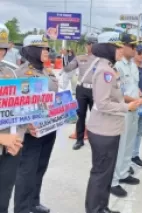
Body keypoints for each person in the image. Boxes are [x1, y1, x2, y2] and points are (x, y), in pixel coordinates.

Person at [85, 31, 140, 213]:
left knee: (106, 173)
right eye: (116, 47)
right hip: (103, 131)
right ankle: (95, 209)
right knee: (101, 174)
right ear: (108, 48)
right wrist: (127, 107)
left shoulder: (109, 67)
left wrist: (130, 101)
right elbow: (102, 104)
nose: (120, 50)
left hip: (109, 129)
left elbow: (113, 97)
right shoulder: (105, 71)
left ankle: (102, 207)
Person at [14, 34, 59, 213]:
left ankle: (34, 202)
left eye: (47, 48)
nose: (46, 52)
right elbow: (13, 105)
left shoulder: (48, 72)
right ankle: (22, 208)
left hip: (48, 128)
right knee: (27, 171)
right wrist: (27, 123)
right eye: (42, 48)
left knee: (40, 168)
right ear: (32, 51)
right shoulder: (21, 73)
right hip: (30, 132)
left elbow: (54, 97)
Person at [110, 33, 142, 198]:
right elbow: (117, 93)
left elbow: (134, 85)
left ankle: (124, 173)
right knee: (119, 146)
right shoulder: (117, 66)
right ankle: (113, 181)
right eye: (132, 47)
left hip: (134, 108)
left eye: (135, 46)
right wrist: (136, 100)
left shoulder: (133, 65)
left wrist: (141, 96)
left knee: (129, 144)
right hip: (123, 109)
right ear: (122, 46)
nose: (135, 49)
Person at [0, 23, 25, 213]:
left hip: (10, 151)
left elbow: (18, 110)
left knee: (3, 199)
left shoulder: (10, 73)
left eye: (2, 49)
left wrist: (18, 137)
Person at [62, 33, 98, 150]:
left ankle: (95, 140)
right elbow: (67, 68)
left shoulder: (102, 60)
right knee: (80, 115)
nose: (90, 46)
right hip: (81, 89)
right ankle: (79, 140)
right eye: (89, 43)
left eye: (93, 44)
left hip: (96, 90)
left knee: (96, 116)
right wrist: (65, 57)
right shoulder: (80, 57)